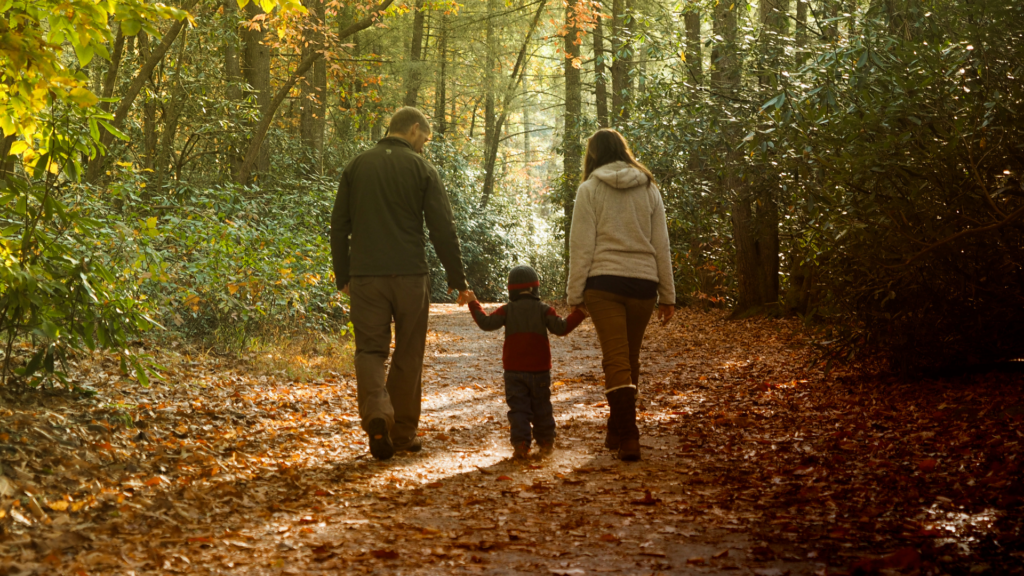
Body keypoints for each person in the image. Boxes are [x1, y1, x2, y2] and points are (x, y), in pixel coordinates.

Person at [331, 107, 473, 461]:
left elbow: (339, 225)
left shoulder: (357, 166)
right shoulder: (422, 168)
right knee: (409, 352)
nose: (424, 146)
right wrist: (459, 281)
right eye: (424, 139)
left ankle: (378, 414)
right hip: (411, 276)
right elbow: (443, 228)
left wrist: (343, 275)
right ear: (412, 130)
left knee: (370, 351)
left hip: (365, 276)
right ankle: (403, 433)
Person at [566, 129, 675, 462]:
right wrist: (668, 294)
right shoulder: (648, 187)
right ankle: (618, 429)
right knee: (628, 357)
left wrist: (575, 293)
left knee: (617, 358)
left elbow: (581, 245)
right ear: (623, 151)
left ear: (594, 155)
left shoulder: (589, 189)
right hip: (643, 284)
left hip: (604, 284)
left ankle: (628, 434)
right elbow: (661, 244)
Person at [467, 265, 587, 460]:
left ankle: (521, 445)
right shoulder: (545, 310)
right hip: (540, 370)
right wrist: (581, 312)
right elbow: (562, 328)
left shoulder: (507, 310)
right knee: (542, 407)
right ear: (535, 288)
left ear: (511, 289)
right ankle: (546, 442)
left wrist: (473, 302)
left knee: (519, 409)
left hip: (514, 371)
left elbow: (486, 323)